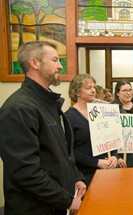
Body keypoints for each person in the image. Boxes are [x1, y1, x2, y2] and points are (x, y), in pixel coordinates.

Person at [0, 41, 86, 215]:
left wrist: (75, 177)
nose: (60, 66)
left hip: (55, 204)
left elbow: (59, 153)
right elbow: (25, 172)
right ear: (34, 63)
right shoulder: (19, 109)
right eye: (55, 60)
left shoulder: (48, 104)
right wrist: (67, 200)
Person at [65, 74, 118, 186]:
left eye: (93, 87)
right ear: (77, 92)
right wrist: (97, 162)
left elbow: (111, 137)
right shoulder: (69, 117)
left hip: (107, 173)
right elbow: (69, 151)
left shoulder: (102, 112)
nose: (93, 90)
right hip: (85, 176)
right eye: (88, 88)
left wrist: (114, 156)